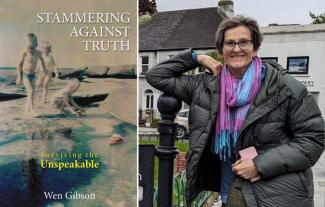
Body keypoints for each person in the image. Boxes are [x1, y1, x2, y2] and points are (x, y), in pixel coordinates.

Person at [146, 15, 324, 207]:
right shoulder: (205, 86)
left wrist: (260, 165)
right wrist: (198, 58)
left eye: (244, 42)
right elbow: (156, 75)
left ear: (254, 47)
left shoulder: (284, 86)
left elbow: (313, 138)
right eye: (229, 43)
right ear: (221, 49)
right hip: (230, 194)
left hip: (278, 196)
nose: (236, 48)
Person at [16, 33, 47, 116]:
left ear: (36, 45)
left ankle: (27, 110)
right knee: (30, 91)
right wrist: (19, 77)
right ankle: (32, 110)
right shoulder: (24, 53)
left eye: (32, 48)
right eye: (28, 48)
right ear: (26, 45)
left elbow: (42, 60)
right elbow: (19, 65)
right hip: (25, 75)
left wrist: (44, 70)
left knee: (31, 93)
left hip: (33, 75)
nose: (30, 50)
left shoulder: (38, 53)